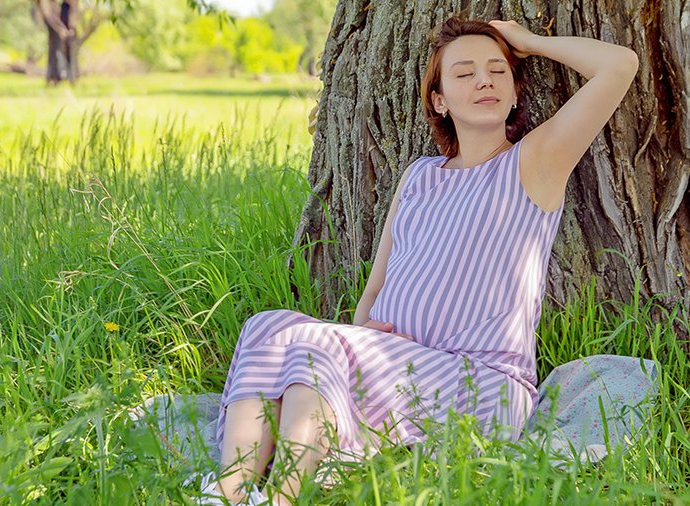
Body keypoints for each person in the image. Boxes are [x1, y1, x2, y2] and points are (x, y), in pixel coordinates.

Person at [194, 15, 639, 505]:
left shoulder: (534, 162)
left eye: (498, 71)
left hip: (481, 383)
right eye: (465, 73)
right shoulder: (420, 176)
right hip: (396, 365)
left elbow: (619, 65)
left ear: (515, 94)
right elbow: (377, 285)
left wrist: (527, 42)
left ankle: (281, 497)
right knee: (267, 325)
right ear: (439, 100)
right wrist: (364, 336)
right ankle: (228, 493)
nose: (484, 80)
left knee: (314, 344)